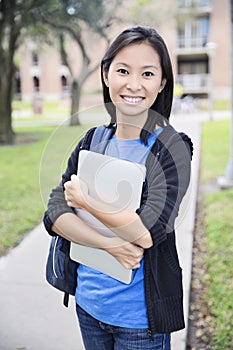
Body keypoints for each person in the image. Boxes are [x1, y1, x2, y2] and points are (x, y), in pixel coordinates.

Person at [43, 25, 193, 350]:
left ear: (162, 82)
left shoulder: (171, 148)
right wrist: (108, 245)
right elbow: (54, 216)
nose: (134, 84)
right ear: (106, 74)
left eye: (148, 73)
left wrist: (87, 201)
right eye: (123, 70)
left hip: (140, 322)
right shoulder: (92, 141)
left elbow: (145, 233)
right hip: (88, 304)